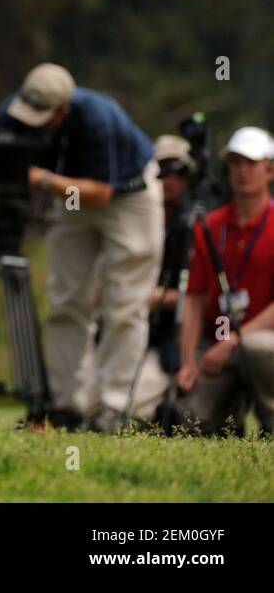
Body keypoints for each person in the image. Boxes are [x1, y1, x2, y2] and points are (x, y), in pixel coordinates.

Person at [0, 63, 163, 432]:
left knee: (124, 303)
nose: (30, 122)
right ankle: (65, 407)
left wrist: (40, 178)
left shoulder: (97, 117)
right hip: (72, 200)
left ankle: (114, 408)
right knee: (66, 301)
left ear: (62, 111)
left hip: (128, 196)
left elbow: (102, 192)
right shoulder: (18, 108)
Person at [176, 127, 274, 436]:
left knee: (256, 348)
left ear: (270, 170)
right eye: (234, 163)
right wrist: (188, 361)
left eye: (250, 163)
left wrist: (234, 339)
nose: (242, 172)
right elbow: (193, 298)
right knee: (188, 421)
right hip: (217, 343)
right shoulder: (211, 225)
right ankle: (228, 423)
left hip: (264, 341)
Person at [123, 135, 194, 422]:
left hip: (167, 339)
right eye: (163, 169)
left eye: (181, 172)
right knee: (87, 405)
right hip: (126, 332)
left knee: (133, 409)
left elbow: (200, 298)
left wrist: (158, 297)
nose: (171, 179)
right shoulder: (129, 220)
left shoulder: (195, 225)